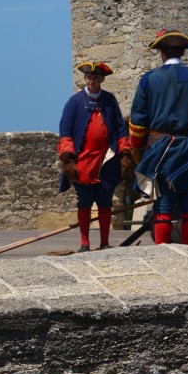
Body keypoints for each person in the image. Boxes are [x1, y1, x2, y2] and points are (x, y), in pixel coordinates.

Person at [128, 29, 188, 245]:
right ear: (183, 53)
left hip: (161, 150)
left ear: (161, 53)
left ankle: (163, 252)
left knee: (163, 206)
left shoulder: (149, 80)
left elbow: (138, 123)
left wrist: (138, 151)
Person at [57, 61, 132, 252]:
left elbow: (121, 129)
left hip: (106, 162)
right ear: (85, 78)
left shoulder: (109, 100)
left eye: (96, 77)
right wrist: (68, 159)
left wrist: (124, 151)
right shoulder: (74, 102)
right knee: (84, 203)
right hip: (84, 164)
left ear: (102, 79)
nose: (92, 80)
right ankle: (84, 242)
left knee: (105, 203)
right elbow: (65, 132)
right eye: (89, 77)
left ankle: (105, 242)